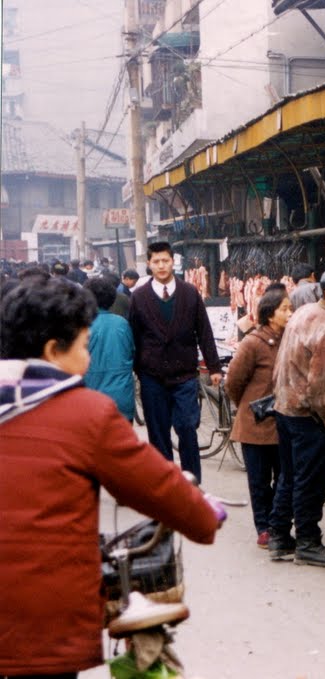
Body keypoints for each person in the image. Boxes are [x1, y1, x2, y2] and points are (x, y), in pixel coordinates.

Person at [0, 277, 222, 679]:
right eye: (84, 346)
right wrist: (205, 514)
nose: (87, 358)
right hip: (40, 621)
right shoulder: (86, 414)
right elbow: (159, 488)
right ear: (53, 351)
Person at [268, 268, 325, 567]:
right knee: (311, 480)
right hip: (308, 414)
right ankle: (308, 541)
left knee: (290, 475)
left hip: (285, 406)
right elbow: (320, 386)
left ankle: (279, 535)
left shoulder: (304, 312)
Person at [129, 241, 223, 483]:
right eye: (156, 261)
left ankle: (192, 484)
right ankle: (165, 485)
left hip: (184, 375)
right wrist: (138, 368)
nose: (161, 266)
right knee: (158, 434)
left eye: (166, 261)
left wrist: (214, 367)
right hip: (152, 376)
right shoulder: (139, 298)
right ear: (149, 265)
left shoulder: (190, 293)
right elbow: (134, 336)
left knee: (186, 427)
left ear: (173, 262)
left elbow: (204, 332)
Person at [226, 284, 292, 549]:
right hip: (255, 423)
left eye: (290, 308)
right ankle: (264, 527)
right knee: (259, 481)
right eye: (285, 309)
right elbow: (234, 381)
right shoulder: (253, 342)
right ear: (269, 313)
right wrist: (249, 405)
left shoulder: (291, 339)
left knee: (285, 476)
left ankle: (278, 525)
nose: (290, 313)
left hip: (284, 421)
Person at [82, 277, 135, 421]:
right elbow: (132, 352)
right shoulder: (122, 324)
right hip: (121, 397)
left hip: (90, 398)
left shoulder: (81, 325)